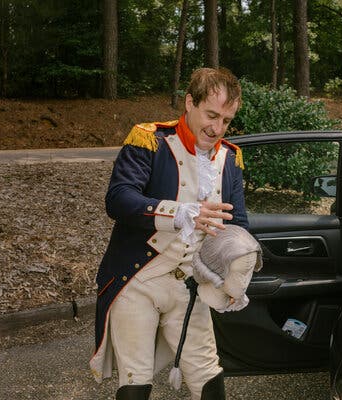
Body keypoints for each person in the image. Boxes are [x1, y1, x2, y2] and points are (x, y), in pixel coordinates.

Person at [89, 67, 248, 400]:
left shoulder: (231, 159)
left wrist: (234, 270)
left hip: (191, 285)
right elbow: (119, 199)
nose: (217, 128)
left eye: (226, 121)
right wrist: (179, 213)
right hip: (138, 282)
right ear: (190, 102)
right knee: (136, 380)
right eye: (211, 115)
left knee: (208, 376)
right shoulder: (150, 140)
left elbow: (238, 224)